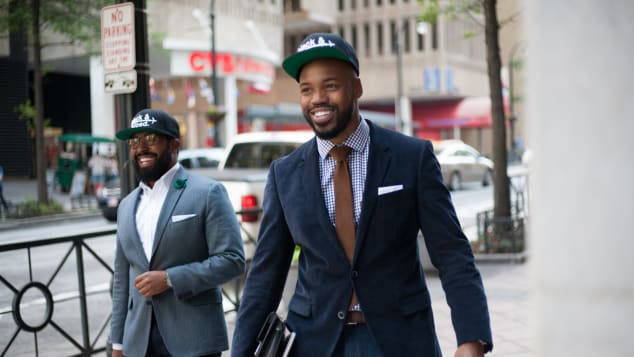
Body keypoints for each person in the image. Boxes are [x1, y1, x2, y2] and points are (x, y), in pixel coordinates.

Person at [231, 33, 492, 356]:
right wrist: (241, 351)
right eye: (307, 90)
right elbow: (265, 276)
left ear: (356, 88)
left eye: (330, 86)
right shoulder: (285, 174)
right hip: (315, 343)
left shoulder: (412, 157)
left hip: (401, 340)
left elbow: (452, 254)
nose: (317, 99)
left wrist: (472, 337)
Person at [110, 109, 245, 357]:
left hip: (193, 338)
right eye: (135, 141)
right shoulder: (127, 205)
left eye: (151, 139)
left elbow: (232, 261)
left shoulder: (207, 192)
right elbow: (122, 281)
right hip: (139, 342)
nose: (141, 147)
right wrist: (117, 343)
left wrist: (170, 278)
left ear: (174, 145)